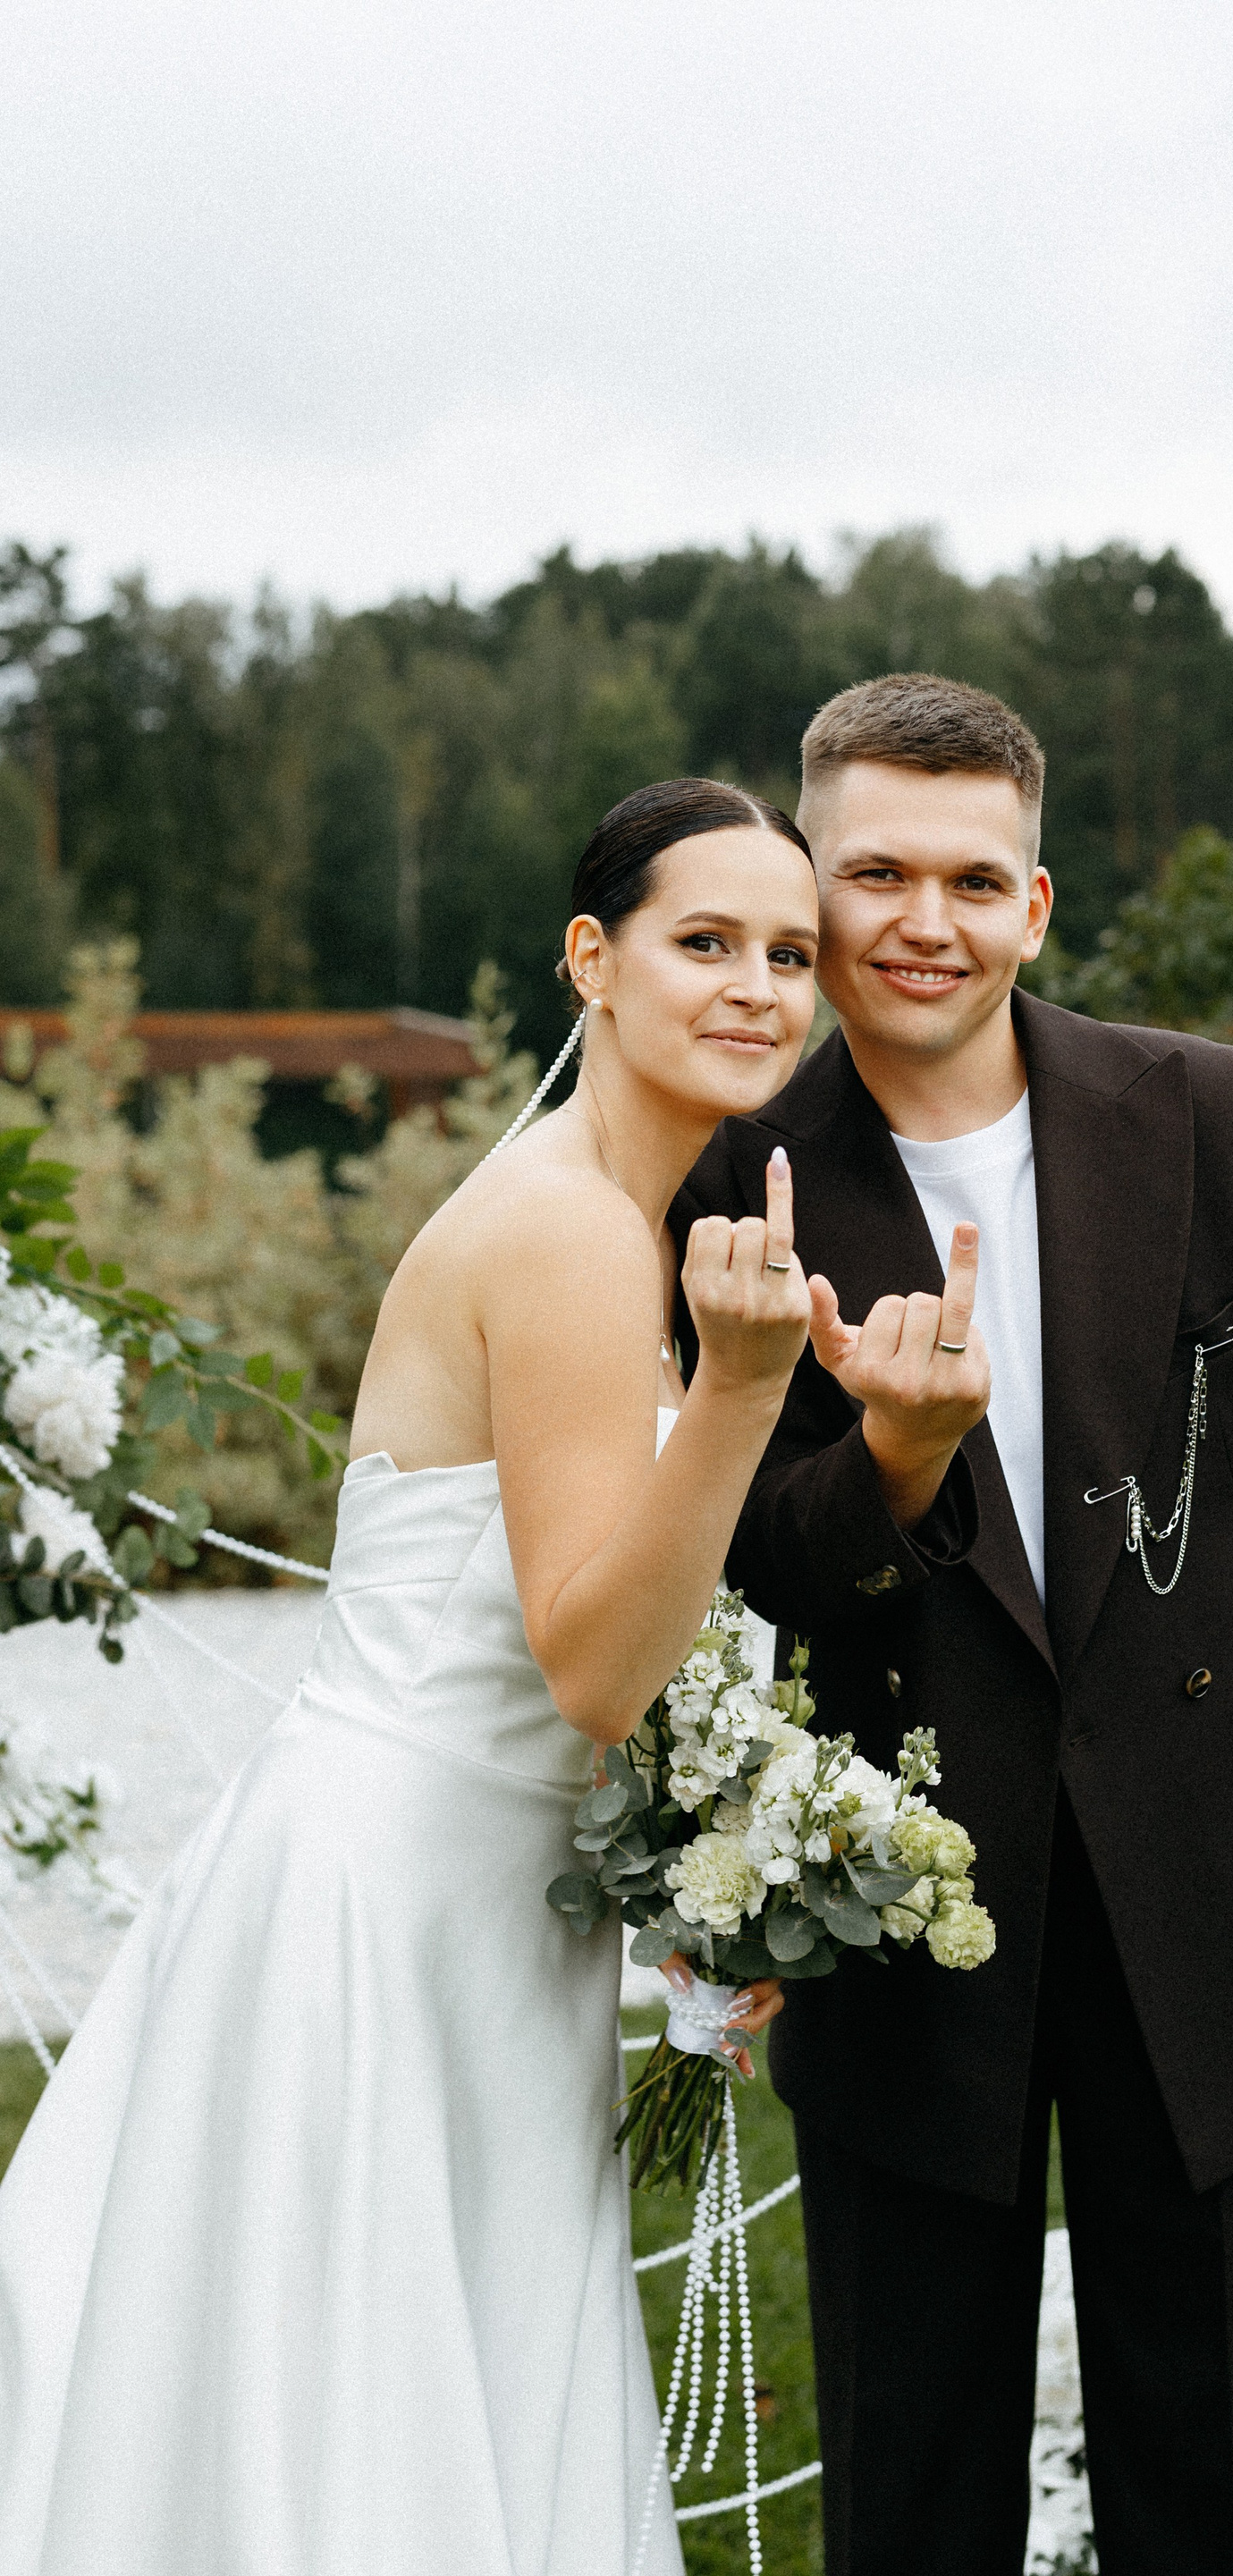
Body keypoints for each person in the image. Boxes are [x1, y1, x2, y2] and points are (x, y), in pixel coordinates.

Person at [0, 777, 963, 2576]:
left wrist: (706, 1869)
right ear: (591, 958)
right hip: (396, 1912)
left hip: (474, 1901)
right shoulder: (570, 1233)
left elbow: (599, 1645)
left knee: (397, 2391)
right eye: (706, 941)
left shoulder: (619, 1222)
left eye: (789, 954)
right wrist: (743, 1389)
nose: (758, 986)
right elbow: (591, 1663)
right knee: (366, 2418)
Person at [677, 675, 1233, 2576]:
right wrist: (893, 1459)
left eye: (974, 880)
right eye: (876, 873)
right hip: (901, 1916)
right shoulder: (734, 1170)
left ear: (1035, 905)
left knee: (1232, 2495)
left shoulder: (1210, 1111)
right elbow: (754, 1553)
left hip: (1220, 1897)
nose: (924, 921)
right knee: (912, 2497)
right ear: (809, 884)